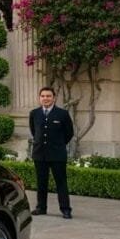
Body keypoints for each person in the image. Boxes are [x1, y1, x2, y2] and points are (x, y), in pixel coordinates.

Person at [29, 86, 74, 219]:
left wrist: (58, 144)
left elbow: (69, 133)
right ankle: (41, 207)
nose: (45, 98)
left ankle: (65, 209)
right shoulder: (34, 113)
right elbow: (34, 131)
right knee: (41, 182)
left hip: (57, 154)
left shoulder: (62, 114)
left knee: (61, 182)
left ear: (54, 98)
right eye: (43, 96)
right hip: (39, 153)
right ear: (39, 98)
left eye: (48, 96)